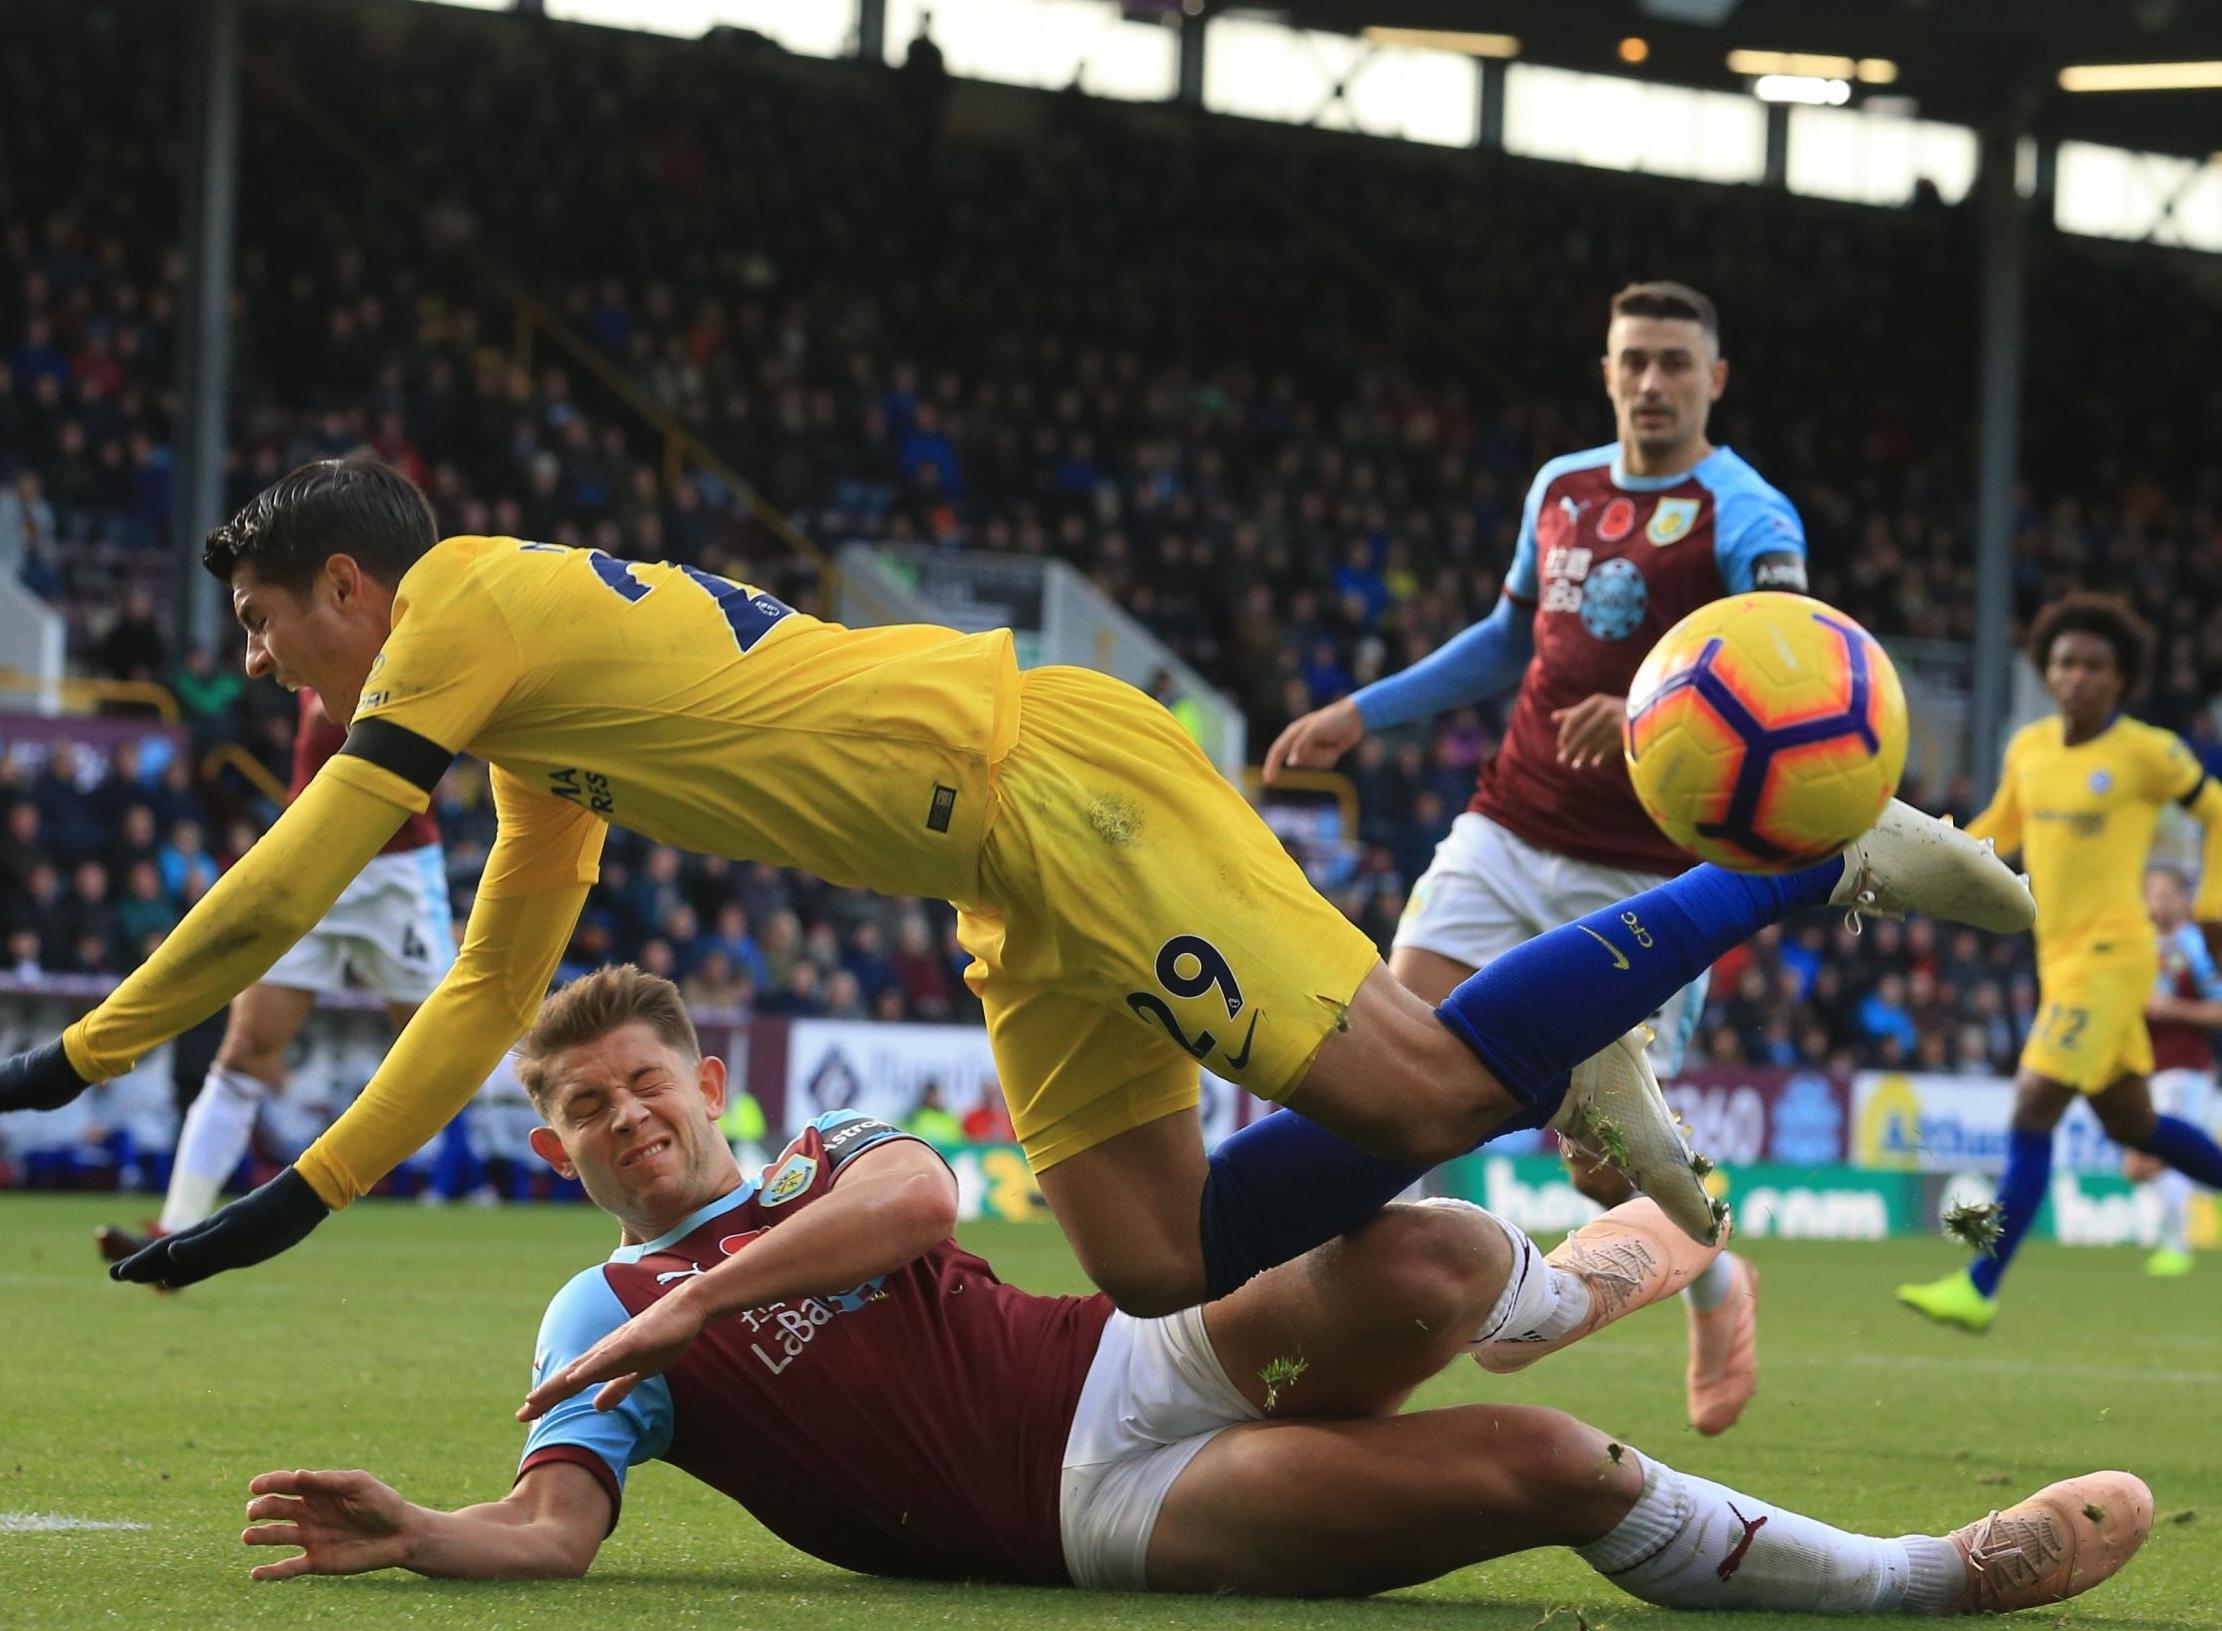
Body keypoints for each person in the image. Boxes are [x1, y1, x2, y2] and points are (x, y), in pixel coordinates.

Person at [0, 458, 2032, 1310]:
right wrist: (289, 1201)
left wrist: (80, 1052)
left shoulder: (459, 607)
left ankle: (1799, 857)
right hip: (1002, 884)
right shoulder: (532, 726)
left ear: (350, 581)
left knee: (1418, 1100)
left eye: (269, 620)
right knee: (1151, 1256)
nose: (263, 657)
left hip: (1053, 785)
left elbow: (302, 862)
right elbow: (473, 998)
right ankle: (1550, 1053)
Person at [234, 965, 2150, 1617]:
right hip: (1104, 1512)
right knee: (1553, 1470)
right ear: (557, 1140)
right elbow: (553, 1530)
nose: (627, 1119)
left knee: (1420, 1252)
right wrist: (421, 1530)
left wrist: (692, 1303)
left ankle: (1592, 1266)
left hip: (1129, 1355)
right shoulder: (589, 1309)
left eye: (649, 1084)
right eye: (586, 1109)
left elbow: (914, 1195)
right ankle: (1920, 1572)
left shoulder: (822, 1170)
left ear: (709, 1084)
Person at [1265, 281, 1806, 1434]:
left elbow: (1786, 652)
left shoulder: (1745, 512)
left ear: (1714, 380)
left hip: (1648, 881)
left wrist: (1654, 704)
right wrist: (1363, 710)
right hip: (1504, 832)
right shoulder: (1560, 487)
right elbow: (1508, 640)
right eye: (1632, 360)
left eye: (1673, 362)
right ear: (1605, 369)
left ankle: (1712, 1271)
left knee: (1603, 1175)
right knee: (1373, 1072)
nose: (1650, 382)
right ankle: (1338, 1351)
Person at [1899, 595, 2222, 1330]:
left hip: (2115, 957)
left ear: (2121, 678)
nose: (2077, 676)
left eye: (2095, 665)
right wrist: (1915, 860)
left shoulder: (2148, 751)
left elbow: (2216, 810)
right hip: (2060, 958)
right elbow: (1995, 834)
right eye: (2066, 662)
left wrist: (2211, 905)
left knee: (2034, 1104)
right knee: (2134, 1123)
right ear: (2046, 671)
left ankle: (1979, 1284)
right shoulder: (2029, 748)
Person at [94, 689, 459, 1263]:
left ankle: (503, 1178)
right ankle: (175, 1231)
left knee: (446, 1053)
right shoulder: (297, 623)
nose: (257, 660)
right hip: (311, 853)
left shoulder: (414, 620)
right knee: (247, 1051)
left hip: (397, 872)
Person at [2125, 866, 2222, 1277]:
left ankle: (2177, 1246)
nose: (2158, 901)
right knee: (2142, 1163)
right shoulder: (2140, 946)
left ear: (2184, 899)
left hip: (2186, 1068)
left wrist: (2173, 1010)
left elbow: (2218, 1007)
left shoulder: (2195, 946)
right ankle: (2174, 1243)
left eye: (2166, 893)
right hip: (2150, 1068)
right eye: (2152, 892)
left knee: (2156, 1156)